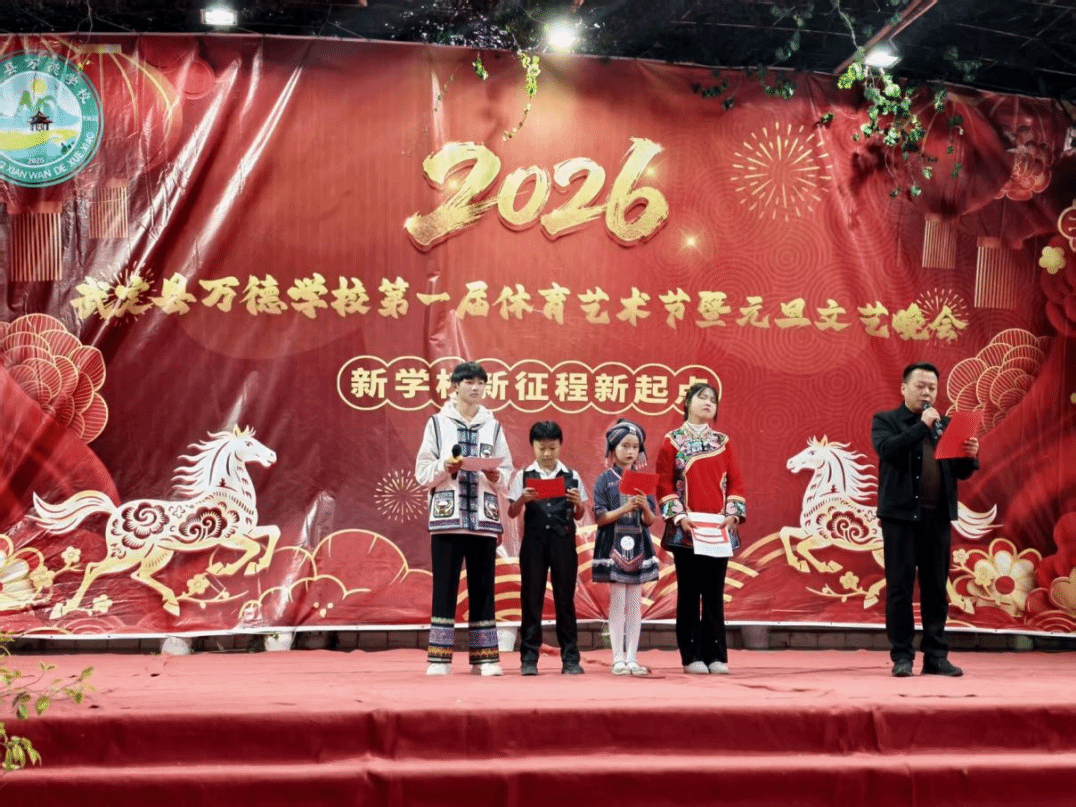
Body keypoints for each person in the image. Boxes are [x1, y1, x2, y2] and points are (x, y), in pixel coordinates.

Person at [872, 362, 980, 678]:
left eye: (932, 387)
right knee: (900, 589)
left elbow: (959, 472)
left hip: (937, 519)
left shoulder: (945, 425)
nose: (927, 393)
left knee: (935, 590)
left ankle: (935, 656)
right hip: (900, 519)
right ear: (904, 388)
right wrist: (922, 426)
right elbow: (888, 450)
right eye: (920, 386)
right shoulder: (886, 420)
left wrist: (970, 455)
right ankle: (902, 657)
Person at [415, 361, 513, 676]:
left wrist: (496, 474)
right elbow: (422, 472)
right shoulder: (437, 423)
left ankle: (485, 658)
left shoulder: (493, 426)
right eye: (469, 382)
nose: (475, 388)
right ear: (455, 386)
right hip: (447, 517)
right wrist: (446, 466)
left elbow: (507, 473)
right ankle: (439, 658)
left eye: (480, 383)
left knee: (483, 587)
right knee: (444, 587)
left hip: (484, 520)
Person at [656, 382, 746, 675]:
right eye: (702, 397)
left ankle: (716, 655)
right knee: (689, 592)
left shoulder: (723, 441)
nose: (708, 402)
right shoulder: (672, 441)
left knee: (714, 593)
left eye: (712, 399)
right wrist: (679, 516)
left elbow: (736, 481)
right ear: (687, 402)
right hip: (687, 530)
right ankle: (691, 655)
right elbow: (664, 483)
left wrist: (732, 514)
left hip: (718, 529)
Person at [506, 421, 587, 676]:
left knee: (565, 600)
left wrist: (578, 503)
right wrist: (523, 499)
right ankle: (529, 658)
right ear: (533, 446)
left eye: (552, 448)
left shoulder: (572, 476)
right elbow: (511, 511)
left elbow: (580, 514)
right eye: (541, 448)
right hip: (534, 544)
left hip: (563, 543)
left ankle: (570, 658)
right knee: (531, 599)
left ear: (560, 445)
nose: (547, 453)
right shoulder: (523, 475)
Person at [592, 419, 659, 675]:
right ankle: (617, 658)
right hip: (613, 547)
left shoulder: (643, 480)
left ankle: (632, 658)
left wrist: (643, 506)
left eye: (635, 447)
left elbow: (650, 520)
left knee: (635, 604)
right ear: (613, 448)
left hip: (639, 546)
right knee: (618, 601)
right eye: (625, 446)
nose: (630, 451)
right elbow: (600, 517)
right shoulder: (604, 480)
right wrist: (625, 508)